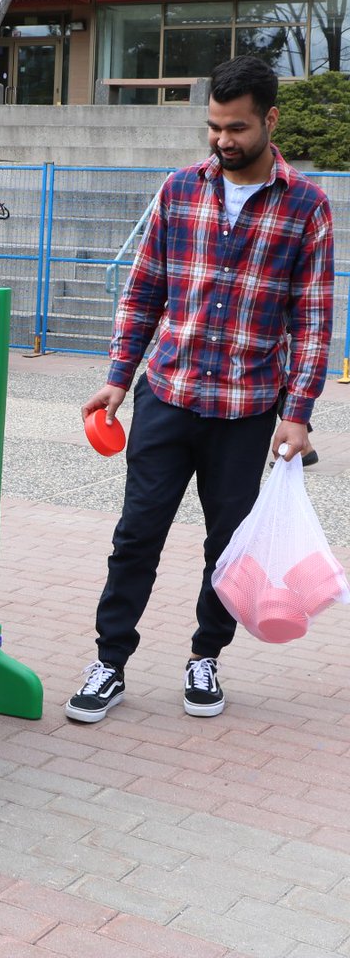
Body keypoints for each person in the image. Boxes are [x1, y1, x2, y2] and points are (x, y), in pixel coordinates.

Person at [66, 55, 334, 725]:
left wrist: (297, 415)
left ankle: (205, 656)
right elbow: (144, 292)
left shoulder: (307, 206)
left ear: (270, 120)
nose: (221, 140)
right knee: (136, 536)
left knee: (228, 547)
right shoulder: (180, 191)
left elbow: (314, 318)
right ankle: (109, 662)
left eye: (237, 127)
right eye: (214, 126)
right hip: (169, 395)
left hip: (247, 411)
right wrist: (116, 382)